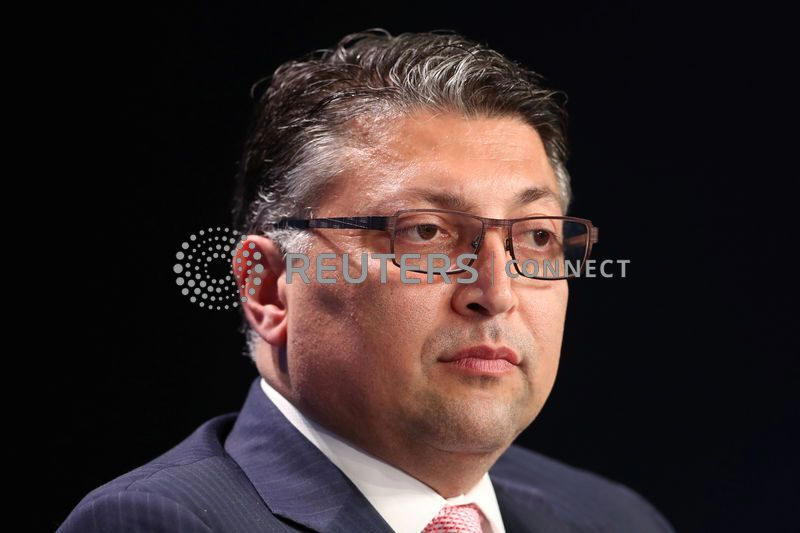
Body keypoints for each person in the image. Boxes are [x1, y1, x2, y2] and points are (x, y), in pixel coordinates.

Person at [59, 29, 674, 533]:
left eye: (537, 237)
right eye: (426, 233)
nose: (496, 292)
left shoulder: (616, 519)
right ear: (269, 287)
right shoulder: (162, 523)